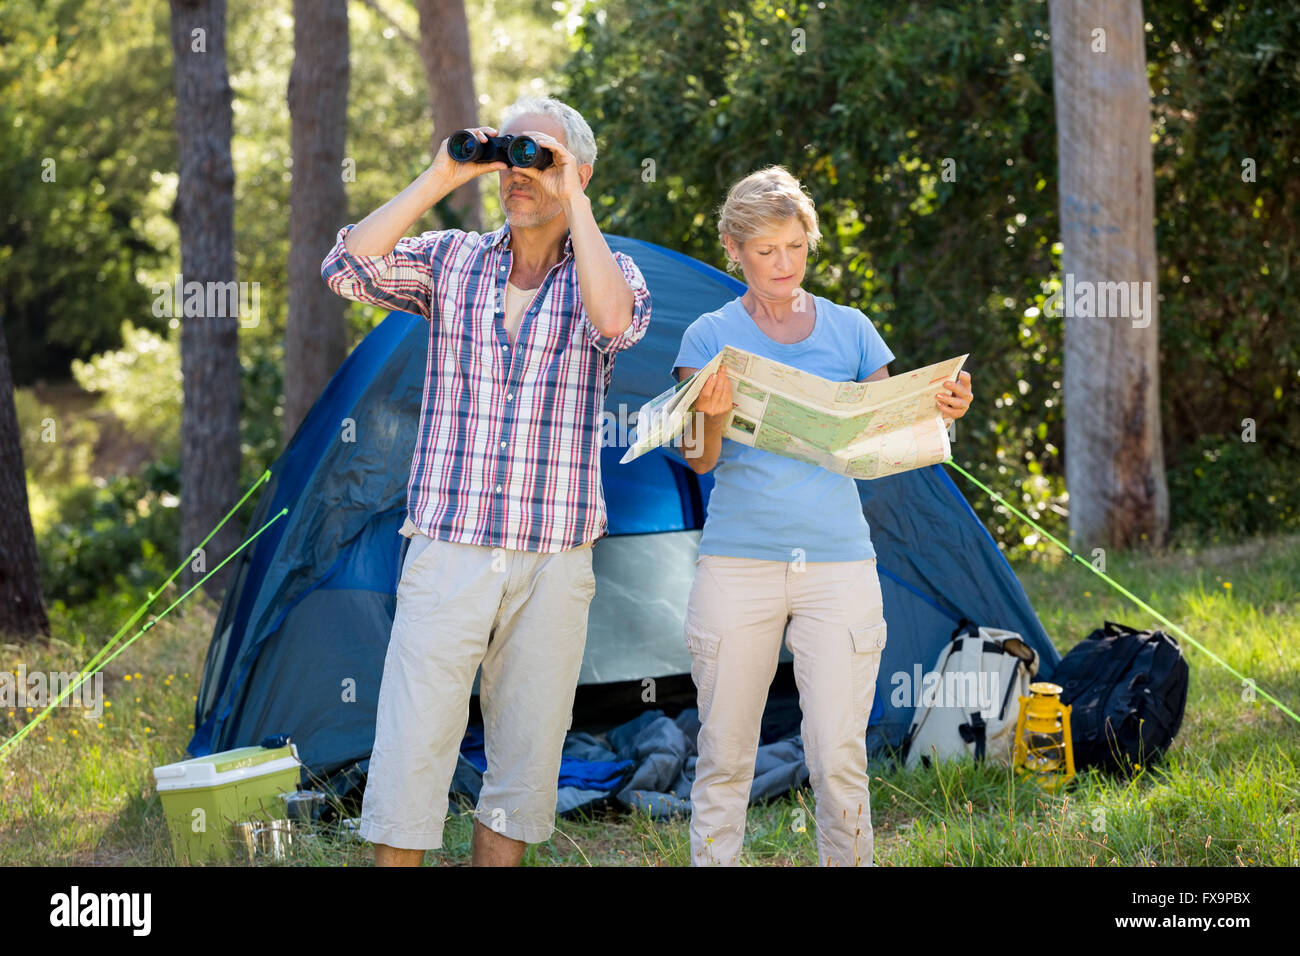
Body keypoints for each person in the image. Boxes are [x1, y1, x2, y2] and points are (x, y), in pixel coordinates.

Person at [320, 96, 651, 867]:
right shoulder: (453, 260)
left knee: (525, 762)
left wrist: (578, 200)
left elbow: (613, 323)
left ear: (579, 171)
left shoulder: (611, 271)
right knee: (411, 750)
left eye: (542, 157)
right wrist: (441, 174)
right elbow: (344, 267)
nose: (519, 172)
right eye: (510, 155)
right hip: (450, 546)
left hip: (553, 558)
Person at [671, 166, 972, 866]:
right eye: (766, 250)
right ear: (734, 249)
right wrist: (710, 418)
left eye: (795, 247)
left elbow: (887, 437)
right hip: (738, 564)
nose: (783, 264)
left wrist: (940, 410)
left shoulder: (851, 329)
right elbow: (697, 461)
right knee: (724, 754)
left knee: (838, 755)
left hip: (838, 565)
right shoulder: (707, 335)